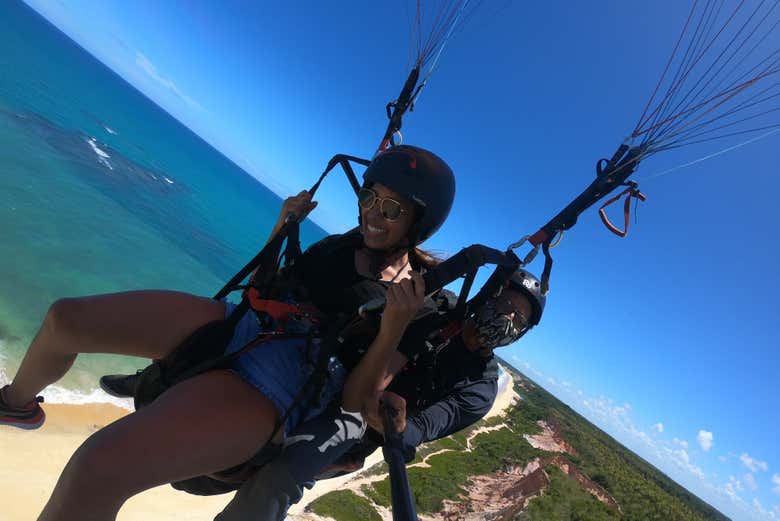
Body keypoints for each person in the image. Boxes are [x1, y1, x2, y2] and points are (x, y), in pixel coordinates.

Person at [0, 144, 455, 521]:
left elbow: (356, 403)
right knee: (67, 320)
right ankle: (16, 405)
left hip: (286, 383)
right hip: (246, 325)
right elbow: (261, 290)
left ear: (418, 222)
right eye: (370, 197)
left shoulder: (420, 304)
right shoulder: (341, 246)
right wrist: (279, 232)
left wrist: (391, 329)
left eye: (392, 208)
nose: (374, 213)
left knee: (97, 468)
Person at [213, 268, 545, 521]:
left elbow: (426, 427)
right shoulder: (443, 305)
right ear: (488, 296)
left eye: (518, 320)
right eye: (504, 304)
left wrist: (398, 425)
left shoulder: (480, 387)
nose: (506, 318)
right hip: (333, 370)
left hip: (356, 423)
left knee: (282, 475)